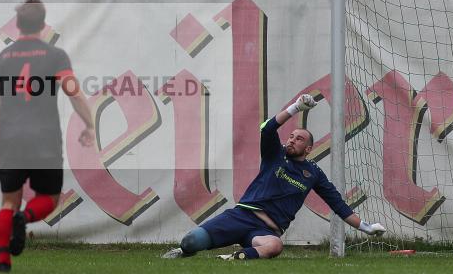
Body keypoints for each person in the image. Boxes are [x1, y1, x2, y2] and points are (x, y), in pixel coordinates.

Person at [163, 94, 385, 260]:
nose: (291, 140)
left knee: (275, 246)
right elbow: (267, 129)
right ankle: (182, 253)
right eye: (290, 136)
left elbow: (338, 205)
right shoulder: (275, 155)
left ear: (308, 149)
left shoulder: (314, 173)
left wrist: (366, 227)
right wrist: (295, 107)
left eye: (298, 139)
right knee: (190, 241)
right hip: (242, 216)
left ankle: (236, 258)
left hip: (266, 231)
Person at [0, 0, 95, 273]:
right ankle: (25, 217)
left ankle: (3, 261)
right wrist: (89, 125)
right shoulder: (55, 56)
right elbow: (74, 93)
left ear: (17, 25)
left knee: (8, 200)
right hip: (44, 139)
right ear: (43, 25)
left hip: (9, 139)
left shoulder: (0, 60)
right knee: (50, 197)